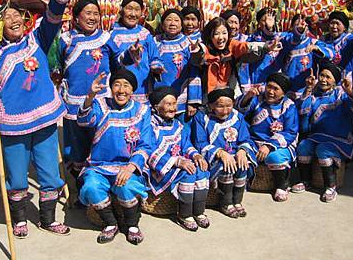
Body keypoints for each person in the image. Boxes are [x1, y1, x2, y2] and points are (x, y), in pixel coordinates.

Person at [0, 0, 70, 238]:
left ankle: (48, 219)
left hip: (44, 118)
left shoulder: (38, 39)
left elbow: (54, 16)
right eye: (7, 17)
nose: (14, 19)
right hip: (13, 125)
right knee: (17, 177)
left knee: (49, 173)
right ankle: (19, 219)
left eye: (17, 14)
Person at [77, 69, 153, 245]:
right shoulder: (101, 104)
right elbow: (83, 121)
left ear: (132, 90)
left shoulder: (142, 111)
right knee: (91, 187)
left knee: (126, 187)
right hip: (99, 165)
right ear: (111, 88)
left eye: (126, 86)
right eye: (117, 85)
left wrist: (130, 167)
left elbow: (145, 144)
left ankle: (132, 225)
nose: (121, 90)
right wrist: (89, 96)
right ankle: (110, 224)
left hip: (127, 165)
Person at [57, 0, 117, 184]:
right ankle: (80, 185)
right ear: (76, 17)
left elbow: (117, 65)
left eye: (96, 13)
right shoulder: (65, 40)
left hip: (101, 102)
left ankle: (100, 186)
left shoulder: (106, 38)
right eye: (88, 13)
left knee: (100, 141)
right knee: (76, 147)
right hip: (74, 103)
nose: (92, 17)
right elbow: (58, 66)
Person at [294, 62, 353, 203]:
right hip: (317, 136)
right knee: (303, 146)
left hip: (339, 139)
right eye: (322, 75)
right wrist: (308, 88)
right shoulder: (314, 94)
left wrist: (350, 92)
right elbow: (303, 110)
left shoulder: (341, 95)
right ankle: (305, 181)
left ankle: (330, 187)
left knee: (323, 149)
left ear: (335, 81)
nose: (323, 80)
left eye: (328, 77)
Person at [147, 86, 210, 231]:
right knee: (188, 173)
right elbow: (150, 151)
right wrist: (176, 161)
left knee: (201, 170)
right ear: (157, 107)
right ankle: (184, 214)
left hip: (179, 162)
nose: (173, 108)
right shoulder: (151, 126)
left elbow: (186, 144)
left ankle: (199, 211)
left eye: (174, 104)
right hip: (160, 168)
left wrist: (196, 155)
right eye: (168, 104)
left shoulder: (177, 124)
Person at [192, 87, 257, 218]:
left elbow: (245, 138)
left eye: (229, 105)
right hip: (214, 157)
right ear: (211, 105)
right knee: (227, 166)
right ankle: (225, 203)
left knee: (243, 164)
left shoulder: (237, 116)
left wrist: (243, 151)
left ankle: (237, 200)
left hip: (235, 153)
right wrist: (220, 153)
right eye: (220, 106)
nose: (225, 110)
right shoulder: (201, 118)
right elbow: (200, 143)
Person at [237, 73, 299, 202]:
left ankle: (282, 186)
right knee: (242, 155)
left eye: (276, 89)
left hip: (279, 144)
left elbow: (291, 132)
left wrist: (269, 145)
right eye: (269, 87)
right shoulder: (258, 99)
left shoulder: (288, 106)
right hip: (254, 141)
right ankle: (243, 184)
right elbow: (240, 113)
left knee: (274, 157)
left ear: (283, 93)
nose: (270, 92)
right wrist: (248, 96)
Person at [190, 17, 281, 99]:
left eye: (224, 33)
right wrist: (196, 52)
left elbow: (247, 47)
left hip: (230, 93)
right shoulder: (204, 48)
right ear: (209, 36)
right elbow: (197, 58)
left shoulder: (232, 46)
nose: (221, 37)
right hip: (208, 96)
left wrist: (267, 47)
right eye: (216, 33)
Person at [108, 0, 164, 103]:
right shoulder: (112, 34)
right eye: (129, 9)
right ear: (121, 10)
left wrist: (156, 67)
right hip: (120, 91)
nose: (133, 14)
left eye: (137, 10)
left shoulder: (145, 33)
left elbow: (155, 57)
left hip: (143, 89)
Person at [153, 9, 202, 115]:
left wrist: (192, 101)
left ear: (181, 25)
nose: (172, 23)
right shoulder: (155, 42)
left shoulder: (187, 43)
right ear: (162, 24)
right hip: (159, 97)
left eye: (176, 20)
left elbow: (194, 72)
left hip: (181, 99)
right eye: (169, 20)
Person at [322, 11, 353, 81]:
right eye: (332, 23)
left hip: (345, 81)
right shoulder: (324, 40)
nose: (334, 27)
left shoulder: (349, 38)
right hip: (326, 81)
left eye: (337, 24)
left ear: (345, 27)